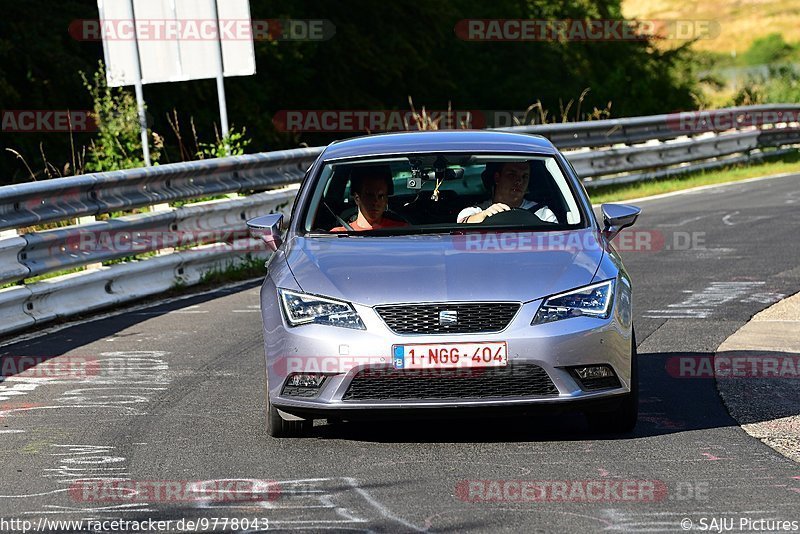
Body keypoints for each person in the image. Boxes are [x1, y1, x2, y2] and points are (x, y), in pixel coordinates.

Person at [457, 161, 558, 224]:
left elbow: (557, 242)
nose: (519, 181)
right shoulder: (475, 211)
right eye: (512, 175)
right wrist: (485, 215)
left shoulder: (543, 214)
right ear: (497, 178)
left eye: (524, 176)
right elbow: (462, 226)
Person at [330, 166, 409, 232]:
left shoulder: (402, 230)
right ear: (357, 198)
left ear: (386, 200)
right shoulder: (339, 234)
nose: (375, 202)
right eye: (370, 195)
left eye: (380, 196)